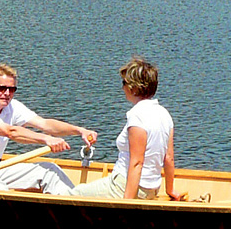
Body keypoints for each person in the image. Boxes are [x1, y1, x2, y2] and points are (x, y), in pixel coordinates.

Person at [0, 63, 97, 194]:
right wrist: (46, 139)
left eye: (11, 89)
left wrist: (80, 131)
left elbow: (45, 124)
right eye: (1, 88)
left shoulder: (12, 107)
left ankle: (76, 204)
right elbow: (10, 132)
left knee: (50, 170)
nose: (7, 93)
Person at [72, 56, 183, 200]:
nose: (122, 87)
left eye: (124, 83)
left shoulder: (137, 116)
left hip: (124, 186)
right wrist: (170, 189)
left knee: (72, 194)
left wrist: (127, 203)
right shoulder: (164, 114)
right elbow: (169, 158)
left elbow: (137, 163)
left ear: (134, 88)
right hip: (152, 189)